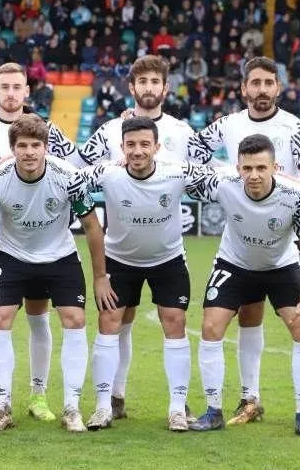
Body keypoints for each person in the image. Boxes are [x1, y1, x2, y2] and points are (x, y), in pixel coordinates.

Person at [186, 56, 300, 429]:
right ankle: (248, 399)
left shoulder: (295, 128)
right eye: (255, 83)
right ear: (244, 87)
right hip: (241, 248)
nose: (262, 90)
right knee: (245, 319)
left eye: (269, 83)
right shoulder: (227, 126)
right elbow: (193, 157)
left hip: (285, 237)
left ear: (278, 88)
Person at [0, 114, 112, 432]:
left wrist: (100, 276)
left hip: (60, 257)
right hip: (13, 256)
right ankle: (2, 408)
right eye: (22, 146)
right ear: (12, 149)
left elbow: (92, 226)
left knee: (74, 319)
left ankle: (71, 408)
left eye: (35, 145)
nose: (29, 152)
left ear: (46, 147)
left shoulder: (68, 176)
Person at [0, 62, 86, 422]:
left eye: (18, 86)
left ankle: (38, 395)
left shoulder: (48, 131)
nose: (11, 93)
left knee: (38, 316)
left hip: (40, 237)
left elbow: (80, 166)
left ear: (27, 91)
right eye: (5, 86)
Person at [77, 117, 214, 431]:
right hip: (119, 261)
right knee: (109, 322)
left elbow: (223, 178)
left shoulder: (178, 172)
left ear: (157, 146)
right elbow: (67, 178)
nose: (137, 151)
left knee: (175, 323)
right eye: (131, 145)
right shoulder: (107, 173)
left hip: (167, 261)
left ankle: (177, 408)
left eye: (144, 144)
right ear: (122, 147)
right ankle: (102, 407)